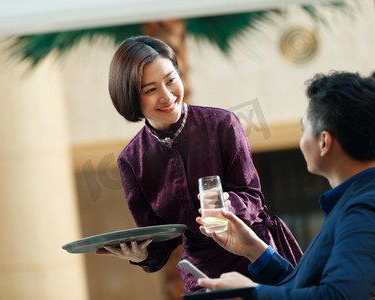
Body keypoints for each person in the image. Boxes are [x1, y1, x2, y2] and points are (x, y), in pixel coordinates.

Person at [96, 35, 303, 293]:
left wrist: (229, 205)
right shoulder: (131, 160)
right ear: (130, 98)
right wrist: (141, 256)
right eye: (150, 90)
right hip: (201, 274)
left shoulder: (222, 124)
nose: (166, 95)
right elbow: (161, 240)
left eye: (171, 80)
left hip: (256, 258)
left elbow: (253, 197)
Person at [196, 71, 375, 299]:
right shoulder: (358, 201)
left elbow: (337, 296)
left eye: (304, 130)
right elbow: (304, 288)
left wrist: (253, 292)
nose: (302, 141)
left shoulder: (367, 209)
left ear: (324, 141)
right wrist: (253, 248)